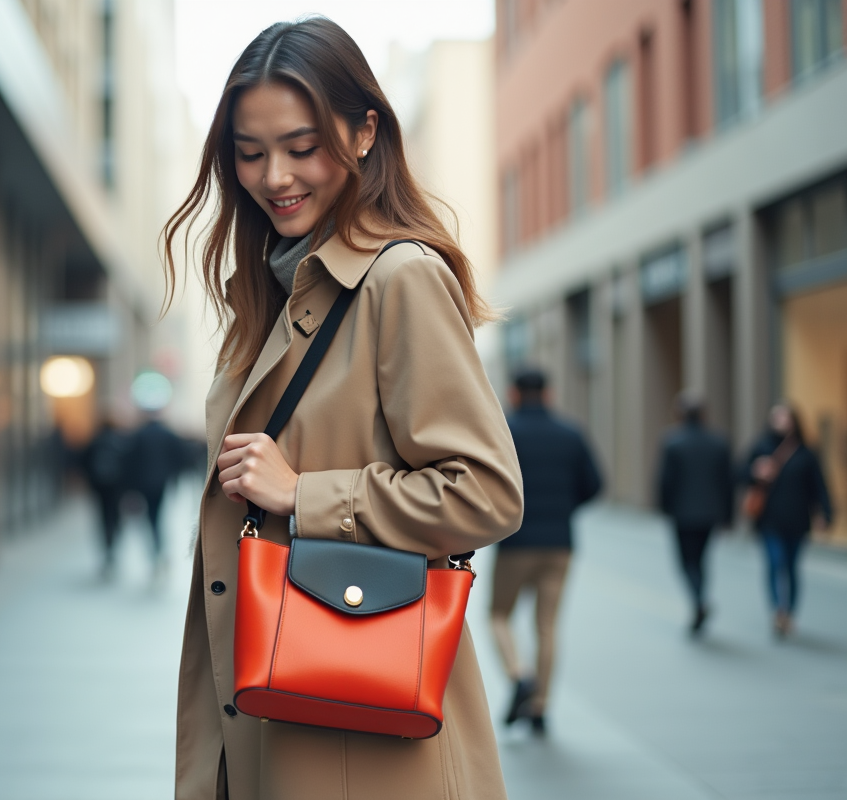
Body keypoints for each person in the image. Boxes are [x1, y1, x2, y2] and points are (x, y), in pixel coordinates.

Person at [162, 17, 523, 800]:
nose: (274, 176)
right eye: (250, 153)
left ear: (364, 133)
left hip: (367, 744)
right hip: (269, 718)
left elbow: (488, 491)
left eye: (301, 146)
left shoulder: (399, 279)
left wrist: (304, 494)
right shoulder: (268, 293)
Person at [489, 367, 601, 737]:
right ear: (549, 394)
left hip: (516, 542)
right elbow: (595, 484)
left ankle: (519, 676)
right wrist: (564, 507)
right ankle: (541, 707)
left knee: (498, 615)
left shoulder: (505, 431)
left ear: (514, 393)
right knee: (548, 625)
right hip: (560, 544)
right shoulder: (571, 433)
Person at [740, 403, 834, 638]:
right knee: (775, 562)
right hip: (769, 520)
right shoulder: (761, 447)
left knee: (791, 567)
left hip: (797, 519)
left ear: (794, 421)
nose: (781, 421)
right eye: (776, 416)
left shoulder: (806, 453)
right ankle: (777, 611)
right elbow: (738, 474)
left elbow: (819, 486)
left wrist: (826, 513)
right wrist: (755, 471)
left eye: (785, 417)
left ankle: (789, 611)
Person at [656, 393, 733, 635]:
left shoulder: (673, 442)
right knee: (701, 559)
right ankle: (700, 598)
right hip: (710, 512)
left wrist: (664, 508)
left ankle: (698, 599)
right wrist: (728, 515)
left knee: (686, 561)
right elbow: (727, 482)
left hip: (683, 512)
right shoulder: (718, 442)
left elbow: (665, 481)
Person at [125, 412, 187, 575]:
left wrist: (131, 487)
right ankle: (159, 547)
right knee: (158, 514)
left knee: (151, 516)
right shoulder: (168, 434)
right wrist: (174, 476)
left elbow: (130, 461)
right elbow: (180, 457)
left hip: (144, 483)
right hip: (162, 481)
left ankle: (156, 549)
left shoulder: (139, 435)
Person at [80, 418, 130, 580]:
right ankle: (114, 540)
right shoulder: (120, 442)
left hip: (100, 488)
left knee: (104, 518)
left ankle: (108, 545)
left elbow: (83, 463)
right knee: (115, 516)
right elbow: (129, 465)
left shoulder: (94, 442)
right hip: (117, 489)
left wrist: (91, 484)